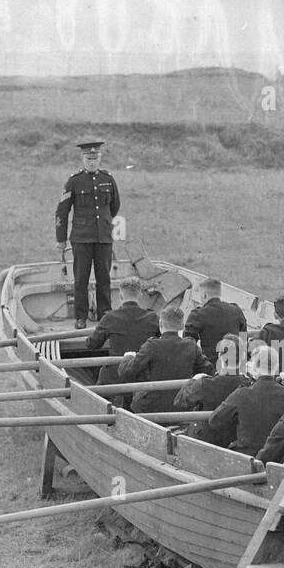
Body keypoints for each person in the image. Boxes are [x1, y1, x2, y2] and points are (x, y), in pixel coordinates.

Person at [55, 138, 121, 329]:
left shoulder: (108, 179)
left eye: (95, 157)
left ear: (100, 158)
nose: (91, 161)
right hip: (81, 239)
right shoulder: (74, 181)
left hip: (103, 238)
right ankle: (81, 317)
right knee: (81, 279)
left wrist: (105, 223)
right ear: (82, 159)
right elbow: (62, 211)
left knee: (104, 279)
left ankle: (105, 315)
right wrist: (61, 238)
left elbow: (114, 206)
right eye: (88, 158)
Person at [117, 306, 213, 414]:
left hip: (150, 408)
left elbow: (126, 372)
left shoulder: (152, 345)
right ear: (181, 326)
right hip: (182, 406)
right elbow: (209, 371)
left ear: (160, 324)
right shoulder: (191, 345)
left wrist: (128, 357)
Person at [207, 343, 284, 454]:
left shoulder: (242, 394)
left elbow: (215, 420)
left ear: (253, 367)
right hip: (278, 456)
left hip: (246, 455)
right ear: (277, 367)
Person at [83, 276, 159, 389]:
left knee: (103, 376)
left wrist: (97, 333)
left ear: (120, 296)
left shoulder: (110, 317)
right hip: (144, 376)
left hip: (116, 378)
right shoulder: (152, 318)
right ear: (140, 296)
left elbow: (92, 345)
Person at [173, 333, 250, 443]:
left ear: (220, 356)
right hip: (235, 440)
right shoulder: (249, 385)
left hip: (206, 440)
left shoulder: (205, 383)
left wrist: (193, 380)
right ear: (242, 357)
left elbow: (179, 401)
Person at [183, 278, 246, 364]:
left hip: (210, 366)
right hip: (234, 365)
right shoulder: (236, 310)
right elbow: (243, 337)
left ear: (204, 295)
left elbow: (188, 345)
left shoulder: (198, 315)